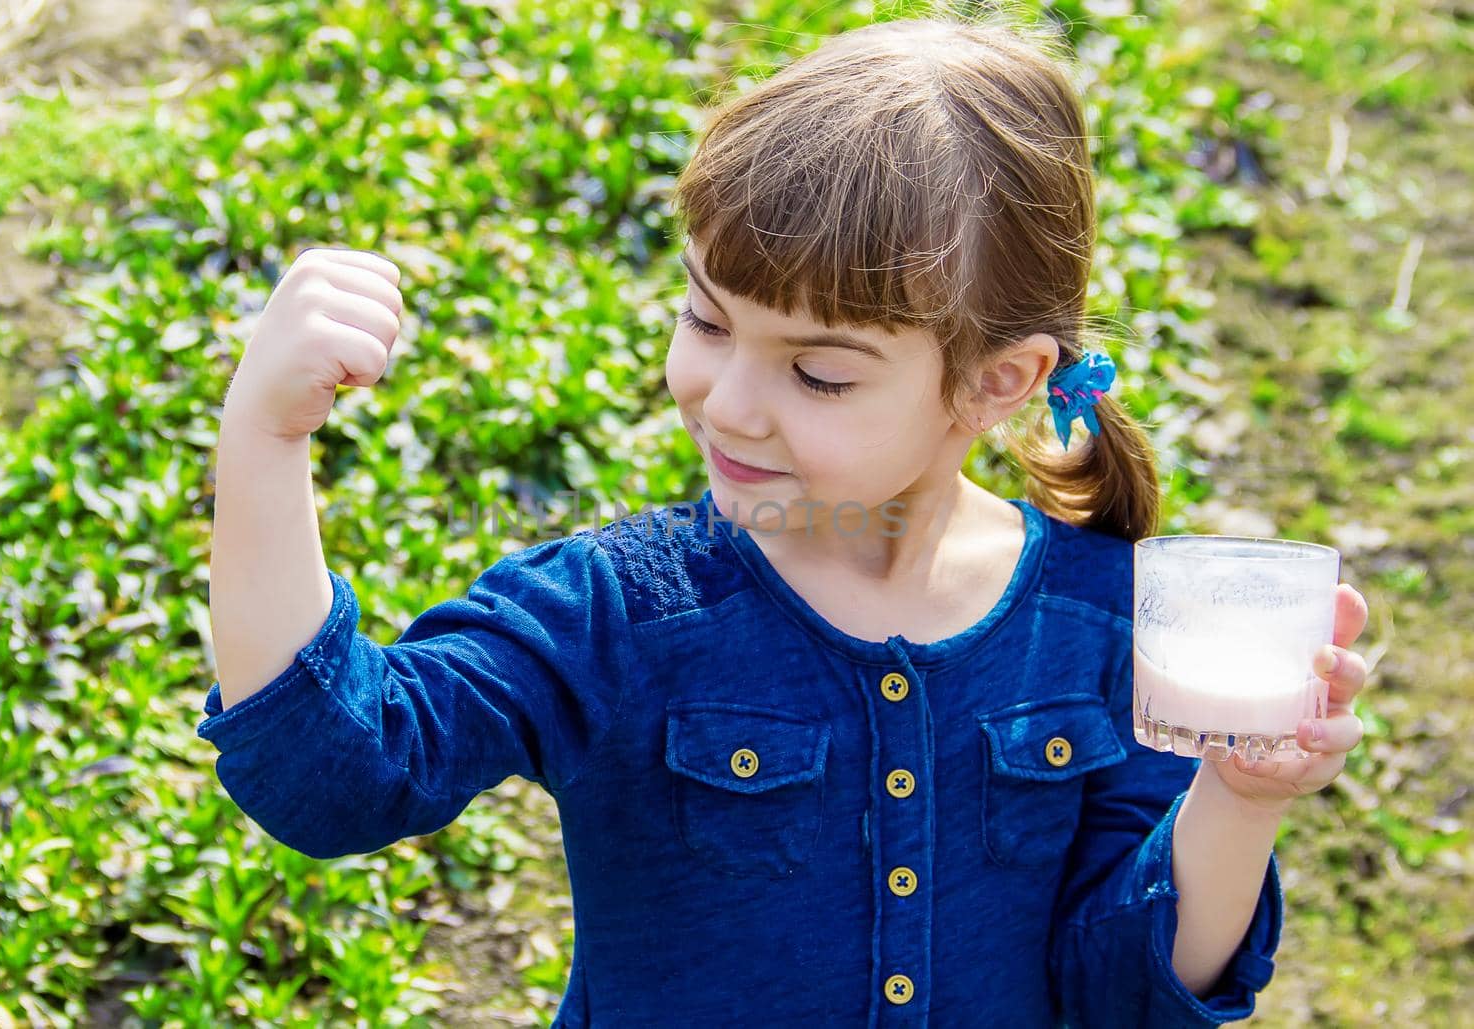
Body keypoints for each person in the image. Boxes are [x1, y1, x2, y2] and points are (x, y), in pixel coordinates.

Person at [197, 11, 1373, 1028]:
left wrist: (1238, 798)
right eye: (708, 322)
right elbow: (333, 777)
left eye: (818, 375)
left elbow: (1125, 992)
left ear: (995, 383)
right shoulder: (619, 615)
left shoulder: (1099, 621)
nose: (728, 400)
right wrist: (263, 440)